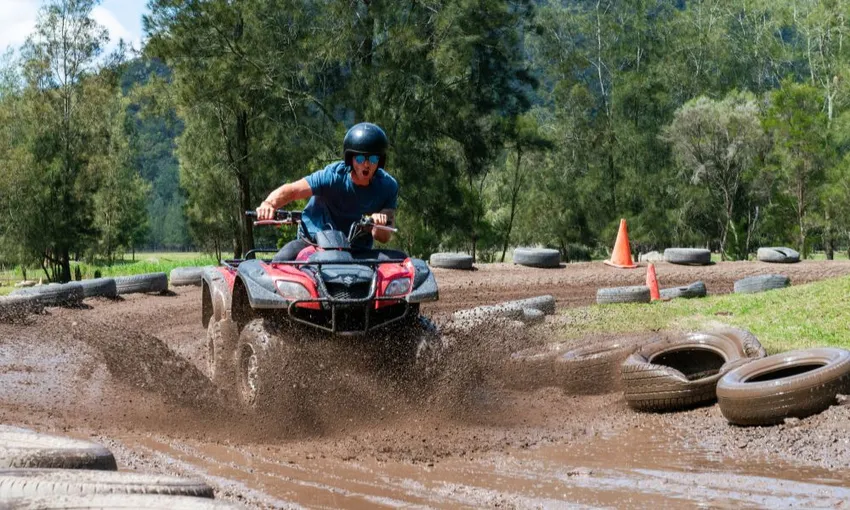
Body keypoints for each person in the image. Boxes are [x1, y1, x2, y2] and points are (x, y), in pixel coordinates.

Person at [256, 122, 400, 261]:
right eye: (360, 158)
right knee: (280, 261)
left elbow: (383, 237)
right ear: (351, 158)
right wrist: (269, 204)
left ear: (380, 161)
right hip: (314, 242)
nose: (367, 164)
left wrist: (378, 224)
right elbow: (293, 190)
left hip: (357, 250)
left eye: (373, 159)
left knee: (401, 262)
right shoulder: (332, 176)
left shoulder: (388, 186)